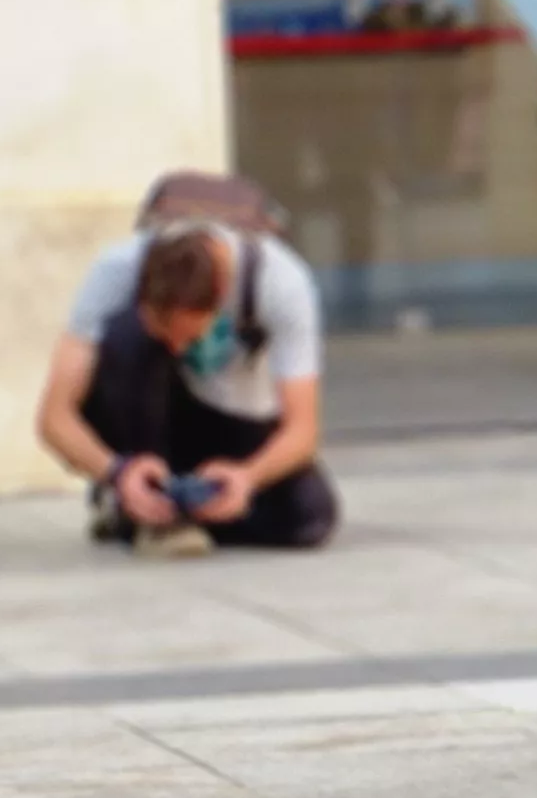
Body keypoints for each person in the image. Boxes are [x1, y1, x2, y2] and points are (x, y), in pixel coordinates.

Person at [36, 218, 336, 557]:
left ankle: (178, 509)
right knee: (126, 335)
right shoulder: (115, 269)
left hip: (234, 413)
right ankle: (144, 502)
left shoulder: (281, 283)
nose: (178, 350)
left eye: (190, 338)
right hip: (148, 412)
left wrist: (248, 477)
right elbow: (53, 419)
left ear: (220, 297)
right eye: (167, 338)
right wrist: (116, 472)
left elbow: (303, 431)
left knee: (308, 515)